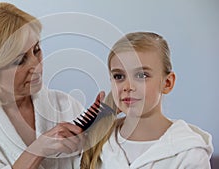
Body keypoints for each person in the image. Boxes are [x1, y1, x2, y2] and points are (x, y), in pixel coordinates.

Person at [0, 2, 96, 169]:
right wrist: (38, 149)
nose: (37, 67)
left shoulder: (64, 104)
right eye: (19, 61)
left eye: (36, 50)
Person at [80, 32, 213, 168]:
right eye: (119, 76)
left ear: (167, 83)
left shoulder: (190, 154)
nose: (128, 87)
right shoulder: (95, 142)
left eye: (141, 75)